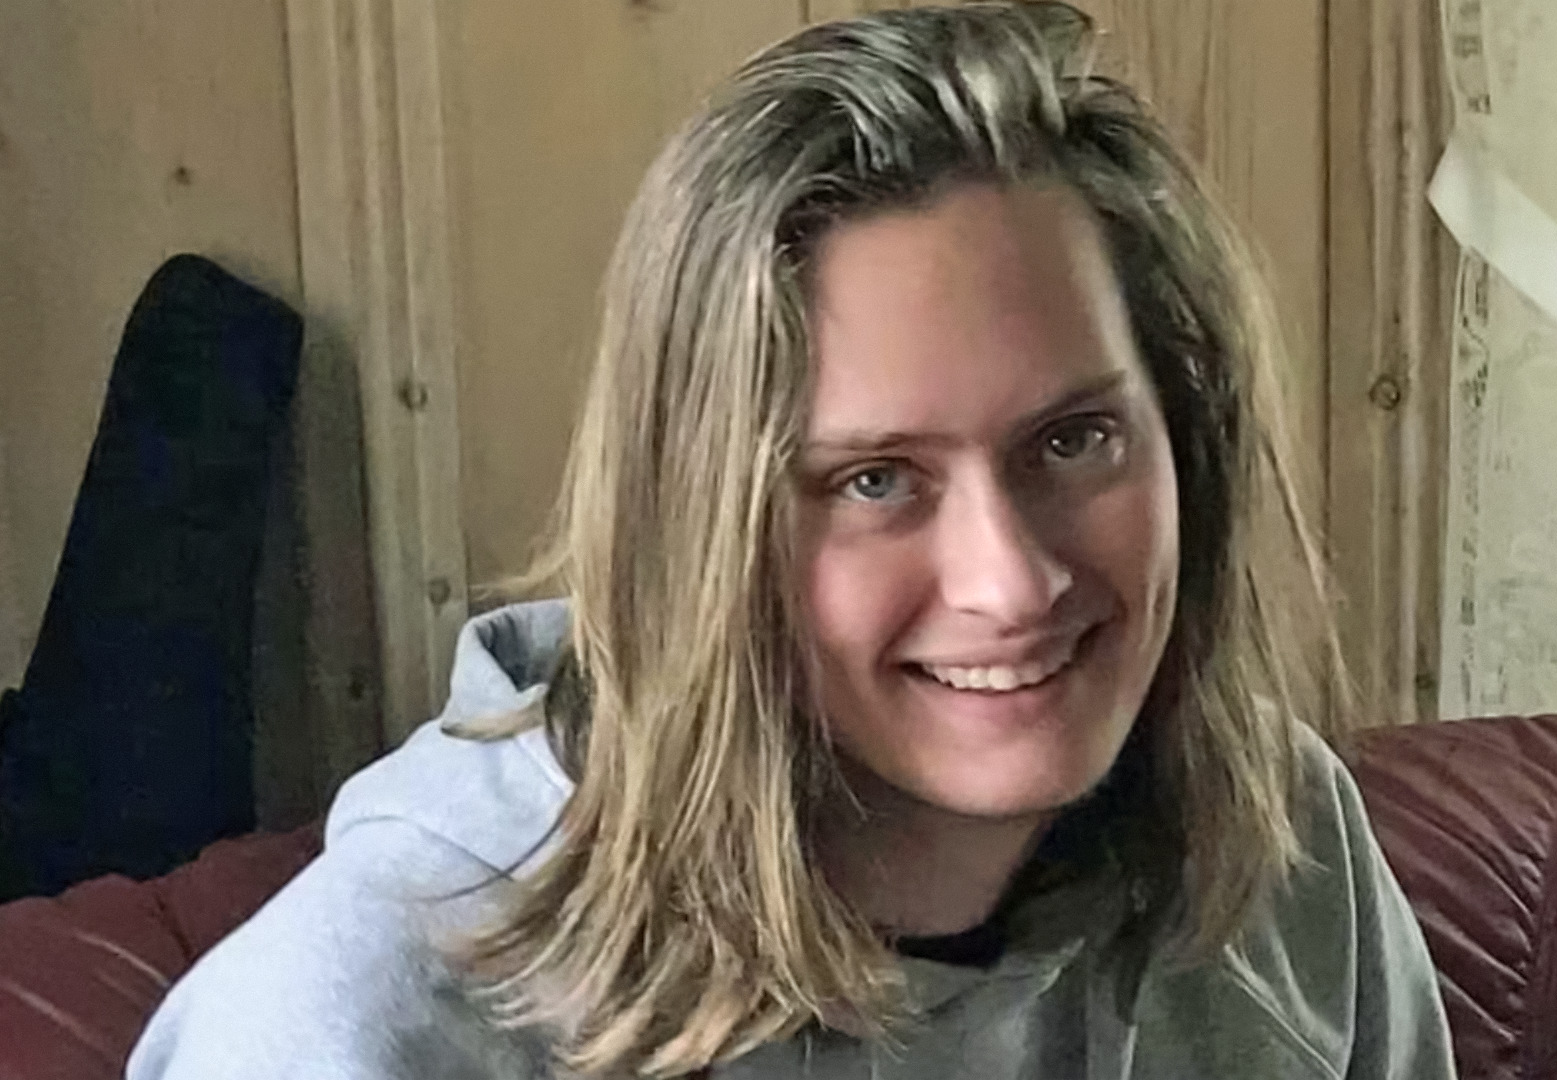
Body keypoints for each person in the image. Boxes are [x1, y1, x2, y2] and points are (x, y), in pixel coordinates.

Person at [127, 3, 1455, 1077]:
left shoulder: (1279, 846)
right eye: (875, 481)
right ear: (700, 531)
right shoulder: (348, 1024)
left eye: (1074, 440)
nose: (1011, 581)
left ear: (1186, 440)